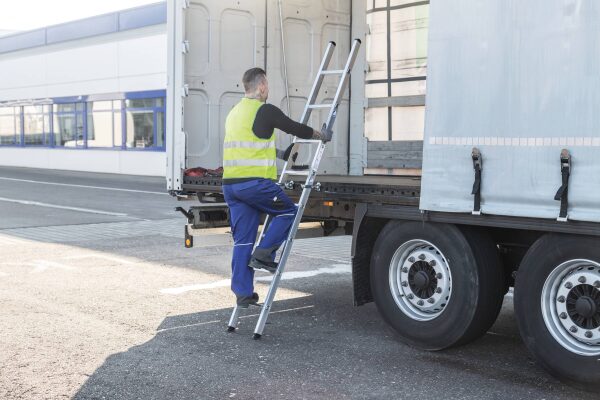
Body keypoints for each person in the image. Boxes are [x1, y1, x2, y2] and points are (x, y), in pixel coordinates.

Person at [222, 67, 331, 308]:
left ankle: (243, 293)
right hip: (254, 184)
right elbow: (294, 128)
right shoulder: (265, 110)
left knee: (242, 241)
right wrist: (320, 134)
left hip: (231, 187)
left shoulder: (235, 112)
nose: (268, 89)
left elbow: (249, 145)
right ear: (261, 86)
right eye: (267, 85)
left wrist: (282, 154)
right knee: (288, 212)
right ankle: (264, 254)